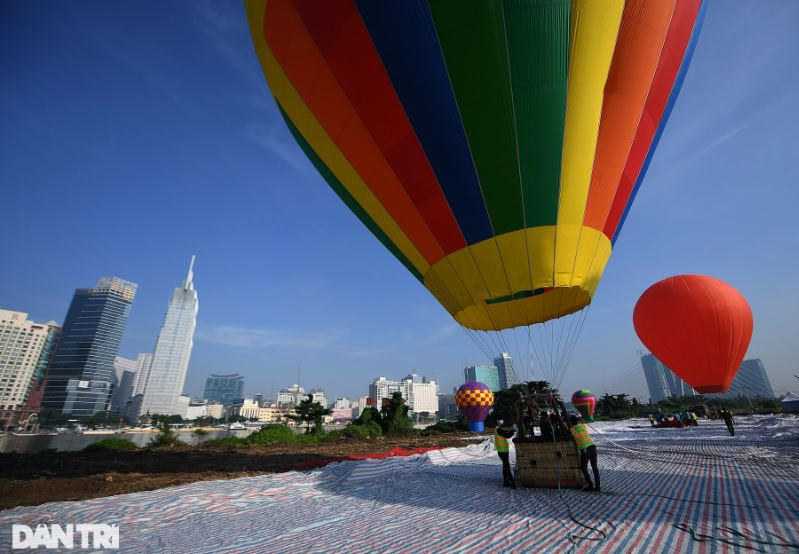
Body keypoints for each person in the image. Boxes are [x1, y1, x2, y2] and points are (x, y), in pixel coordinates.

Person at [569, 415, 600, 492]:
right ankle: (598, 487)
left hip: (585, 450)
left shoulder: (572, 429)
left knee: (583, 467)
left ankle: (590, 485)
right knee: (595, 468)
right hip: (593, 447)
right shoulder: (583, 426)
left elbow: (568, 433)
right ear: (577, 421)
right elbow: (581, 422)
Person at [494, 420, 516, 488]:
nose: (502, 421)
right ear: (497, 422)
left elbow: (505, 433)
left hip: (502, 450)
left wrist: (509, 431)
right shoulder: (499, 429)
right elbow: (507, 435)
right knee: (507, 466)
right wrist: (513, 430)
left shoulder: (498, 429)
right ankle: (511, 481)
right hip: (502, 450)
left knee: (505, 465)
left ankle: (506, 481)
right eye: (500, 420)